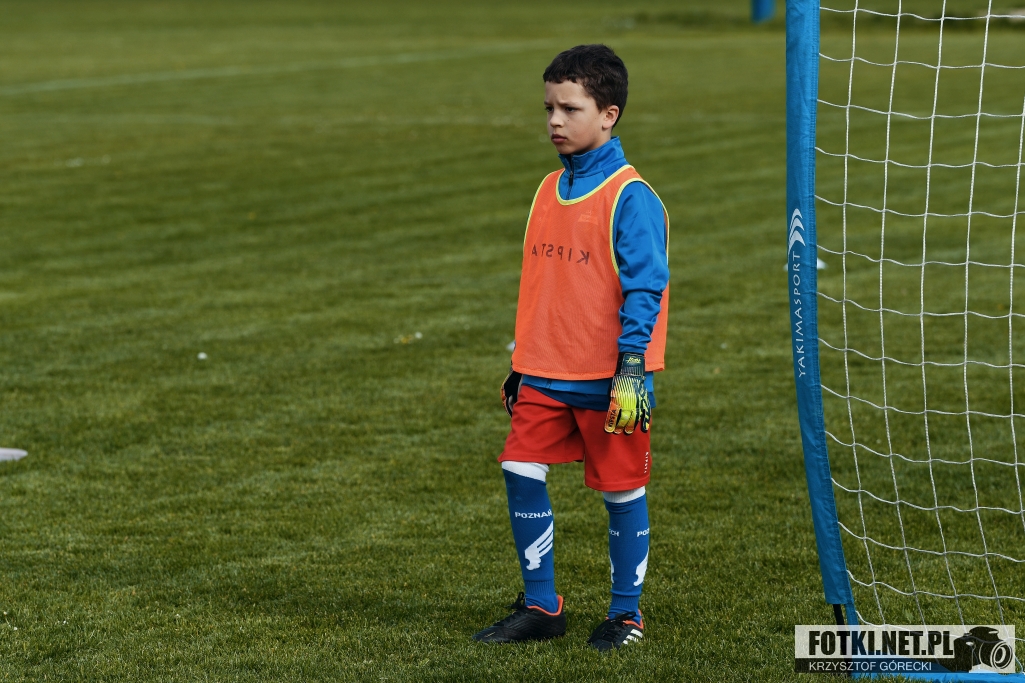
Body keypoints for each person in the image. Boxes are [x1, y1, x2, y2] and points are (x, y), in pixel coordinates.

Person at [472, 44, 670, 651]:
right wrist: (520, 362)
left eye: (570, 109)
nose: (555, 121)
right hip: (543, 372)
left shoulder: (631, 196)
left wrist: (631, 366)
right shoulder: (547, 189)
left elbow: (647, 287)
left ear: (609, 115)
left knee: (620, 491)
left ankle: (626, 615)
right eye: (549, 108)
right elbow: (543, 285)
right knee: (519, 467)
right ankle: (542, 605)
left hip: (609, 379)